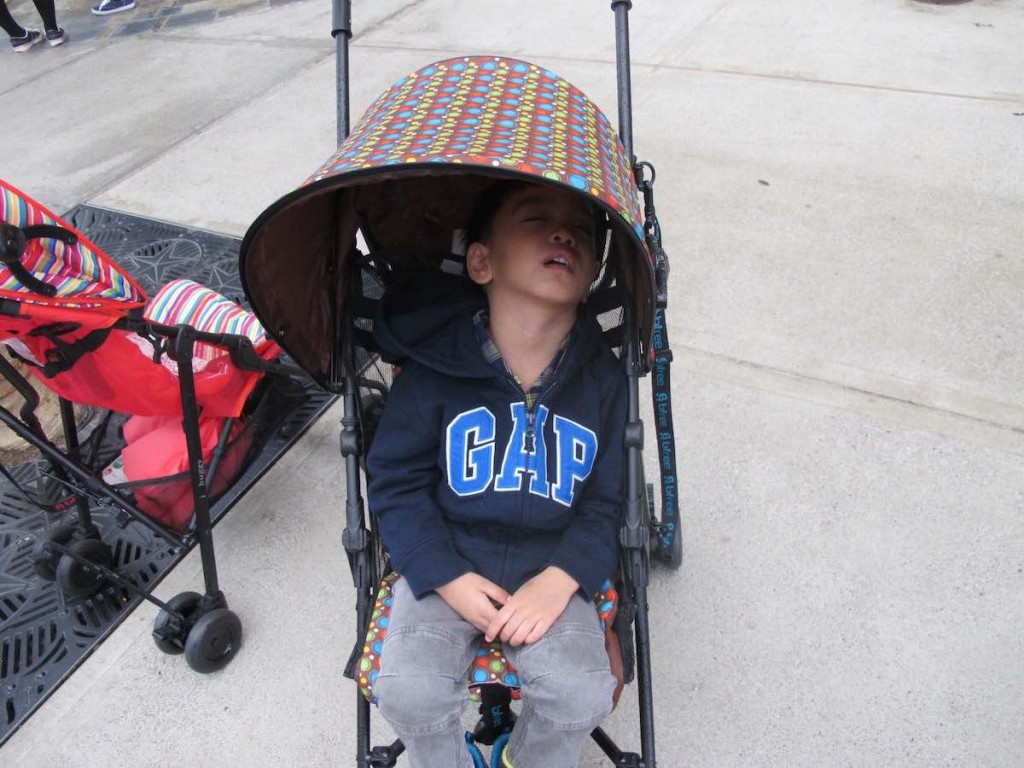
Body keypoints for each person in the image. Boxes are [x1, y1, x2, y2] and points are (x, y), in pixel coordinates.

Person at [366, 180, 627, 768]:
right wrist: (446, 575)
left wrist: (561, 579)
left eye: (581, 231)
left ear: (592, 273)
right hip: (447, 562)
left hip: (552, 569)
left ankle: (521, 758)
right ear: (482, 262)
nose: (564, 234)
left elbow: (608, 501)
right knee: (407, 691)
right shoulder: (434, 372)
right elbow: (396, 481)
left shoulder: (604, 383)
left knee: (584, 693)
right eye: (536, 219)